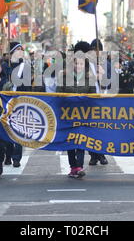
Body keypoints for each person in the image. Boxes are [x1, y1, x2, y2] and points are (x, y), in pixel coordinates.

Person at [57, 41, 97, 179]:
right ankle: (73, 166)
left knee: (81, 140)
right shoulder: (63, 77)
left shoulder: (89, 78)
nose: (78, 66)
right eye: (75, 63)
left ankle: (79, 166)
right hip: (68, 114)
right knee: (70, 141)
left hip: (83, 114)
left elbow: (93, 95)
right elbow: (58, 94)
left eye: (81, 64)